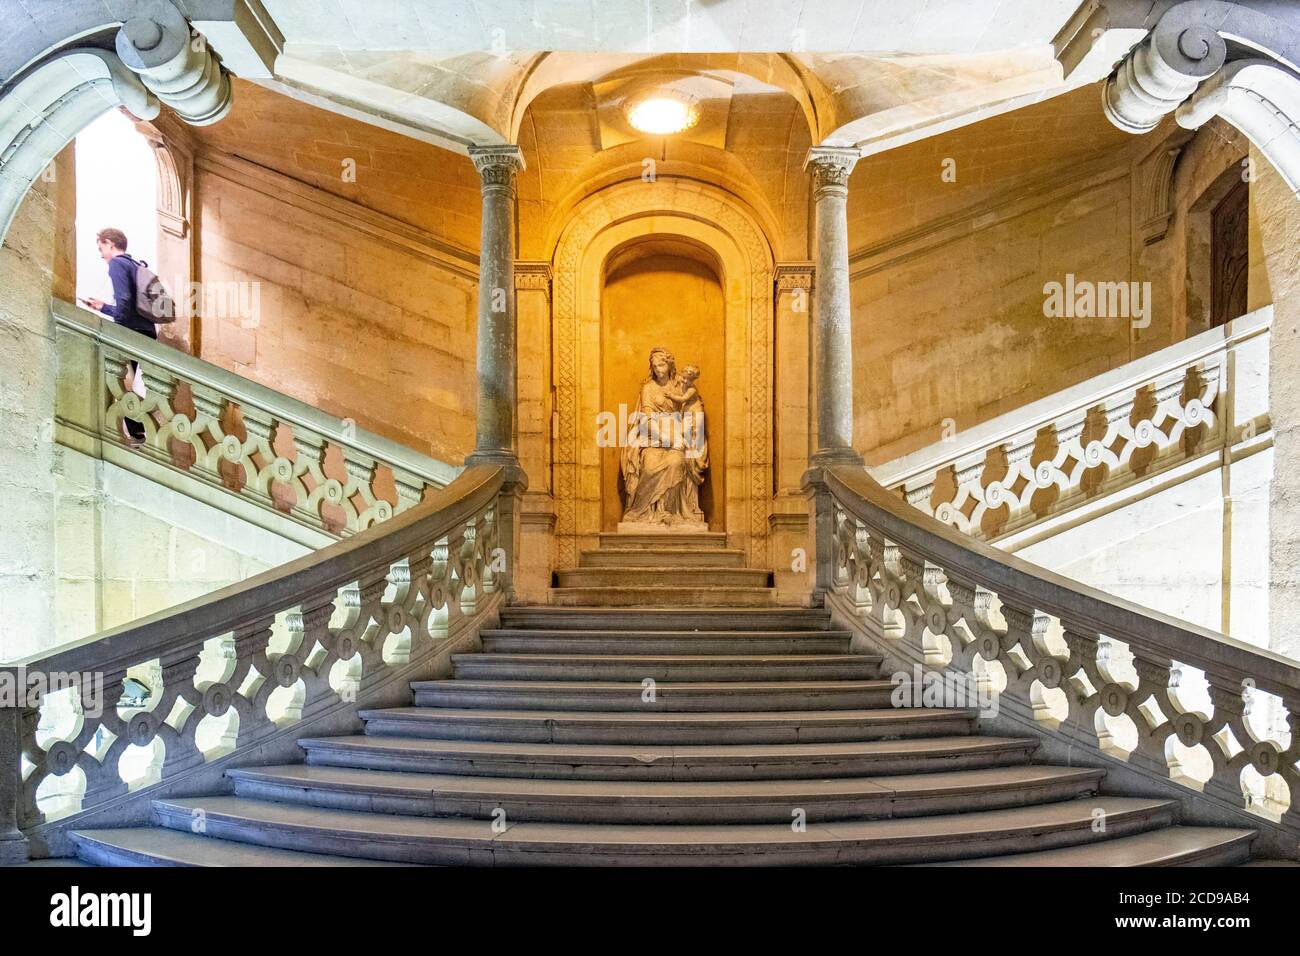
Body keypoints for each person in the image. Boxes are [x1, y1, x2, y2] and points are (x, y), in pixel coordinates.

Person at [79, 228, 155, 444]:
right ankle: (138, 430)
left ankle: (137, 432)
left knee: (121, 381)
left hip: (130, 331)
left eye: (101, 247)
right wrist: (103, 308)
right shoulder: (135, 264)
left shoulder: (117, 264)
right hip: (146, 330)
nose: (101, 254)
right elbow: (130, 304)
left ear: (110, 243)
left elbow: (123, 300)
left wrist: (116, 329)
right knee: (130, 382)